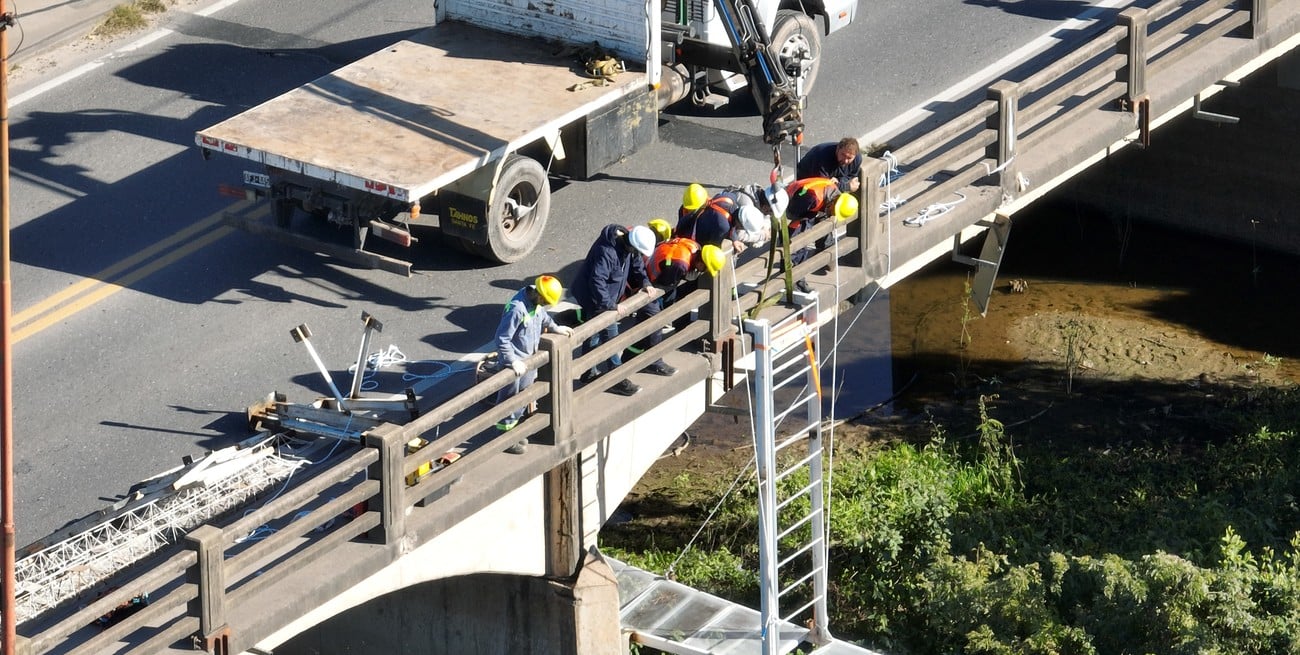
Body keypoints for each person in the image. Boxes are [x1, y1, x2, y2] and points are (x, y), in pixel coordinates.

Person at [572, 224, 656, 396]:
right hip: (595, 297)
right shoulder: (607, 252)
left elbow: (637, 266)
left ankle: (588, 371)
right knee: (611, 337)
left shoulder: (629, 249)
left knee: (593, 334)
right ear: (632, 245)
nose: (637, 255)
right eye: (637, 251)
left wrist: (645, 283)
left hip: (603, 296)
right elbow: (597, 281)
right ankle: (616, 377)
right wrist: (610, 305)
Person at [494, 274, 573, 454]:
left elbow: (543, 318)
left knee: (523, 397)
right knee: (509, 398)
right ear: (538, 295)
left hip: (529, 361)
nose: (545, 304)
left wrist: (555, 328)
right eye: (545, 301)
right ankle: (504, 436)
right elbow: (502, 339)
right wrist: (512, 361)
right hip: (515, 364)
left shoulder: (536, 305)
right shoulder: (517, 309)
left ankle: (513, 431)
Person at [675, 182, 787, 253]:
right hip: (691, 241)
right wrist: (761, 236)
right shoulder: (723, 226)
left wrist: (734, 240)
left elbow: (732, 225)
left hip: (691, 224)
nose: (769, 215)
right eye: (770, 212)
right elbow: (715, 247)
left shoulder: (729, 200)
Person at [783, 176, 858, 266]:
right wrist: (807, 218)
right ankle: (792, 267)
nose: (833, 214)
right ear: (834, 203)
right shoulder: (813, 198)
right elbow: (790, 214)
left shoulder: (834, 191)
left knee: (816, 223)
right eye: (834, 211)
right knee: (797, 240)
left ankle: (827, 257)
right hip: (789, 200)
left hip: (807, 205)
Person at [796, 137, 862, 194]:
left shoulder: (857, 159)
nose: (845, 160)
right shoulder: (823, 157)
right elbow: (823, 186)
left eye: (849, 158)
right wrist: (847, 186)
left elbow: (851, 177)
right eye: (843, 155)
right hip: (807, 180)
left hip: (830, 178)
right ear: (837, 149)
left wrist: (839, 180)